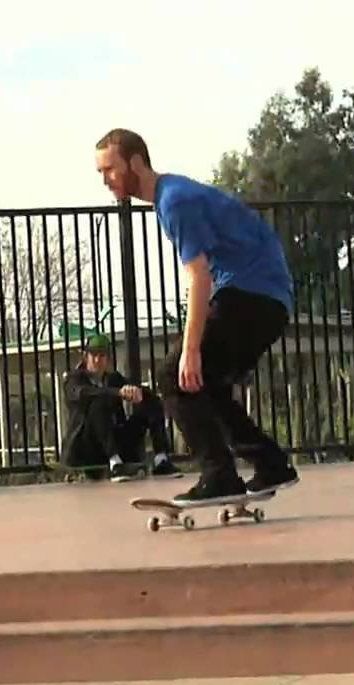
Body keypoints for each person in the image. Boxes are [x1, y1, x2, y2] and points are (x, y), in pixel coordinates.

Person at [93, 128, 299, 507]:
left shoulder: (175, 201)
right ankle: (271, 463)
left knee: (175, 375)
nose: (105, 180)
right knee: (206, 385)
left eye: (110, 169)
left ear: (135, 162)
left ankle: (220, 476)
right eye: (100, 173)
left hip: (252, 294)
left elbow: (198, 276)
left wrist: (190, 350)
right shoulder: (172, 195)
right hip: (266, 296)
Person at [61, 333, 180, 478]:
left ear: (108, 358)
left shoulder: (113, 378)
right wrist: (118, 392)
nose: (97, 360)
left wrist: (138, 393)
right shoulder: (73, 379)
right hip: (87, 448)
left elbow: (132, 389)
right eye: (94, 355)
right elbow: (84, 393)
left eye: (102, 355)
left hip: (116, 442)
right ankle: (115, 465)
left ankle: (161, 459)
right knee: (98, 401)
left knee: (152, 401)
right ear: (86, 357)